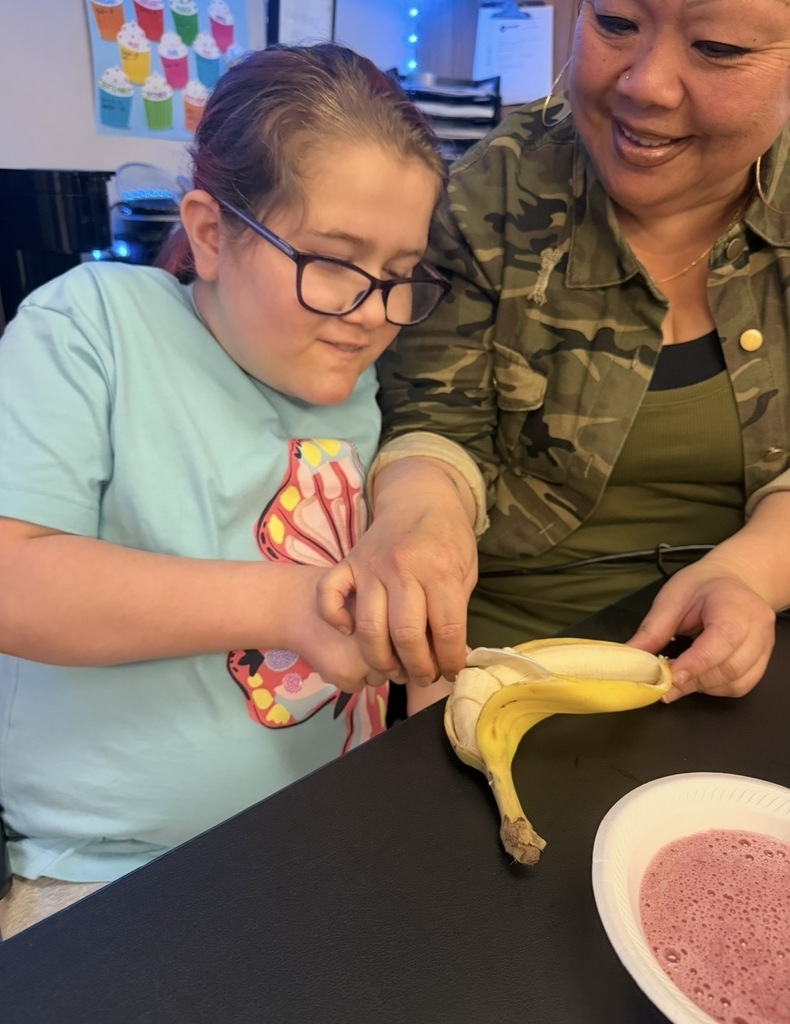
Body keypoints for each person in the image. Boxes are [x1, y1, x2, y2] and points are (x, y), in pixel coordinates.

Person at [0, 43, 449, 938]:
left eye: (401, 277)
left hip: (325, 833)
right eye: (331, 261)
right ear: (210, 232)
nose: (370, 312)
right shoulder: (94, 325)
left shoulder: (353, 382)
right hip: (107, 876)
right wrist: (287, 606)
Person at [318, 0, 790, 706]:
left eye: (717, 47)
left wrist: (751, 574)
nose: (646, 85)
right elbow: (434, 421)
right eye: (615, 24)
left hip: (743, 650)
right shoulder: (491, 194)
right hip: (505, 658)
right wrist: (422, 524)